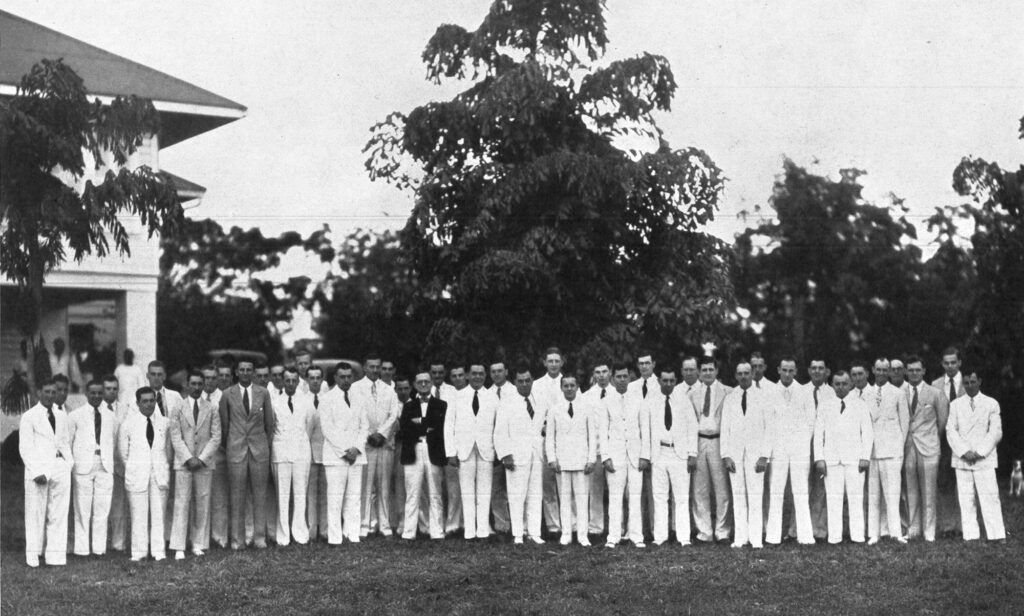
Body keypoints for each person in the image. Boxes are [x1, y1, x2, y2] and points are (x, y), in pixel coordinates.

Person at [219, 358, 275, 549]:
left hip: (259, 450)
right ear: (236, 372)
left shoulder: (263, 393)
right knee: (237, 496)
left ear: (253, 372)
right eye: (241, 369)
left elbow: (269, 424)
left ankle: (259, 537)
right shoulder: (227, 394)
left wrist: (263, 446)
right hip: (236, 450)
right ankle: (237, 539)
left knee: (259, 495)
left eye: (248, 369)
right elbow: (225, 426)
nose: (245, 372)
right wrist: (231, 446)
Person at [946, 367, 1005, 542]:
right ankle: (971, 535)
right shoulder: (955, 405)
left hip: (984, 459)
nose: (970, 386)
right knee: (966, 498)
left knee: (990, 497)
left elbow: (995, 432)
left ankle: (996, 535)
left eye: (973, 382)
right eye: (966, 383)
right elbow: (951, 430)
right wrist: (964, 452)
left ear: (979, 381)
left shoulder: (991, 403)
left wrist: (979, 452)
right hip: (962, 459)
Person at [813, 371, 872, 544]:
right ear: (832, 385)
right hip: (831, 460)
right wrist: (819, 459)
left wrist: (865, 457)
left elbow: (867, 432)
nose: (841, 387)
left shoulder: (860, 405)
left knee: (856, 498)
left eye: (844, 383)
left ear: (850, 384)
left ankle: (857, 535)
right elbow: (818, 434)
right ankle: (835, 537)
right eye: (837, 384)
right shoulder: (825, 406)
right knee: (833, 498)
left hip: (854, 459)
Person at [168, 371, 222, 559]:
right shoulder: (178, 407)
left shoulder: (212, 407)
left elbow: (216, 437)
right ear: (187, 384)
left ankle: (198, 543)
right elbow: (175, 435)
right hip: (184, 463)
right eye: (194, 384)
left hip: (204, 464)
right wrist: (188, 458)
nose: (198, 387)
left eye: (201, 383)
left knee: (202, 502)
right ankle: (179, 546)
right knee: (182, 502)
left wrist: (202, 459)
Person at [20, 378, 73, 567]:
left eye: (54, 392)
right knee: (35, 513)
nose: (51, 395)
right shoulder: (30, 416)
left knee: (58, 513)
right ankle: (33, 557)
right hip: (39, 469)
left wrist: (69, 463)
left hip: (60, 467)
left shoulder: (60, 415)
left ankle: (55, 556)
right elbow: (25, 448)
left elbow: (64, 441)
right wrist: (36, 472)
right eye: (47, 392)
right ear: (39, 393)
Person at [495, 364, 548, 545]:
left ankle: (534, 532)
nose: (524, 384)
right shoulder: (507, 402)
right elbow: (500, 432)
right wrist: (505, 455)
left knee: (535, 494)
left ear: (532, 380)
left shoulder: (539, 400)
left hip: (536, 454)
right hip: (516, 455)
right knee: (517, 495)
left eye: (527, 380)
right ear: (515, 382)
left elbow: (542, 423)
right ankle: (518, 533)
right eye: (521, 381)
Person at [445, 363, 499, 540]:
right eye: (474, 373)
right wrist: (451, 451)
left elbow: (498, 426)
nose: (477, 377)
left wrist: (498, 450)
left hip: (486, 449)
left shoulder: (492, 397)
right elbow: (449, 425)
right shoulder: (457, 396)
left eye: (481, 374)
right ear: (468, 375)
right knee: (466, 491)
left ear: (485, 376)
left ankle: (482, 530)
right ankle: (469, 530)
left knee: (484, 491)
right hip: (464, 449)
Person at [765, 356, 815, 545]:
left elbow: (810, 422)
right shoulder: (770, 392)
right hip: (778, 450)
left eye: (790, 371)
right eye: (784, 370)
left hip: (799, 450)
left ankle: (805, 536)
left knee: (801, 491)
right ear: (778, 370)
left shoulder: (804, 392)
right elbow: (768, 423)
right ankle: (773, 536)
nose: (787, 374)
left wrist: (800, 444)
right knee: (776, 491)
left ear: (795, 372)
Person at [720, 361, 770, 549]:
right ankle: (740, 537)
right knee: (738, 495)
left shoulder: (762, 397)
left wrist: (765, 456)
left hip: (756, 455)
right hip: (735, 455)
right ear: (735, 375)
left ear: (753, 374)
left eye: (747, 373)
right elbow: (725, 428)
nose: (743, 377)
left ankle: (756, 538)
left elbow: (769, 428)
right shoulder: (731, 397)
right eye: (740, 373)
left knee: (756, 496)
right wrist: (726, 455)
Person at [647, 366, 697, 547]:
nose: (668, 384)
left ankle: (684, 537)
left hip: (679, 454)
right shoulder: (651, 401)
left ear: (675, 381)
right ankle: (660, 536)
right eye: (665, 380)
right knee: (660, 496)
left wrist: (692, 454)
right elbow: (646, 430)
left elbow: (692, 428)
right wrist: (647, 456)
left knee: (682, 497)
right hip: (659, 454)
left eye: (671, 381)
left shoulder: (684, 401)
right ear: (659, 381)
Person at [352, 353, 401, 538]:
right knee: (366, 485)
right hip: (366, 444)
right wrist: (369, 435)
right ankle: (365, 524)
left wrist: (381, 434)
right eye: (371, 367)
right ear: (365, 368)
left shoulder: (389, 390)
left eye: (377, 367)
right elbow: (355, 414)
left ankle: (384, 524)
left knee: (384, 485)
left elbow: (393, 414)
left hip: (384, 443)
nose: (374, 370)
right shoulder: (356, 388)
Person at [119, 387, 171, 561]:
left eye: (152, 400)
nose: (149, 404)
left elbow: (168, 450)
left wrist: (160, 466)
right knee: (138, 515)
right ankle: (139, 552)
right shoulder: (128, 424)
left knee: (159, 514)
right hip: (137, 474)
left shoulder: (164, 422)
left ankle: (158, 551)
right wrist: (136, 467)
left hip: (159, 474)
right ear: (138, 403)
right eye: (145, 401)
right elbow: (123, 452)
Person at [601, 363, 650, 549]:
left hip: (636, 456)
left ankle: (636, 535)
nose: (622, 379)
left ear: (629, 378)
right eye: (618, 376)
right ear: (613, 379)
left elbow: (645, 429)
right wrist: (605, 457)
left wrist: (645, 455)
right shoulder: (606, 400)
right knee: (615, 497)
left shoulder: (639, 399)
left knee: (635, 496)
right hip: (615, 456)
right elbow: (603, 431)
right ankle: (613, 535)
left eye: (625, 376)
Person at [319, 362, 368, 544]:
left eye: (349, 377)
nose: (346, 380)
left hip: (357, 455)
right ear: (335, 378)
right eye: (342, 377)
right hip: (335, 456)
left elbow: (365, 426)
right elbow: (327, 429)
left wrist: (356, 449)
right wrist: (345, 451)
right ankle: (335, 537)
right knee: (335, 498)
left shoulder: (359, 398)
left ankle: (352, 534)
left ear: (353, 378)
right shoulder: (327, 399)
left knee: (354, 497)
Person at [546, 374, 597, 546]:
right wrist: (552, 458)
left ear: (577, 387)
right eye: (565, 385)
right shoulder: (554, 409)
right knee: (564, 498)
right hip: (562, 462)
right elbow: (550, 437)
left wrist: (591, 459)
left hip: (582, 461)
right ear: (561, 388)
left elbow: (592, 435)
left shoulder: (587, 407)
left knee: (582, 500)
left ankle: (583, 535)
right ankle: (566, 533)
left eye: (572, 385)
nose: (569, 388)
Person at [68, 379, 116, 556]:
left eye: (99, 393)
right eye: (93, 393)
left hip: (104, 465)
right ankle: (81, 549)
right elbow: (68, 441)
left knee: (102, 509)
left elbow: (113, 439)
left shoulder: (110, 416)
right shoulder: (75, 415)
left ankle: (99, 549)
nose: (96, 396)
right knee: (82, 509)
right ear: (87, 394)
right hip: (83, 466)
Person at [903, 355, 948, 541]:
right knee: (910, 490)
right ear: (906, 371)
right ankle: (913, 529)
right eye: (911, 370)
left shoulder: (935, 393)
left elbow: (942, 421)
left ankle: (929, 532)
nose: (914, 373)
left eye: (917, 370)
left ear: (923, 371)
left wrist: (931, 438)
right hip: (908, 447)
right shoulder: (900, 392)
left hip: (929, 447)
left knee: (929, 491)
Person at [687, 357, 732, 543]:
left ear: (716, 371)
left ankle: (722, 532)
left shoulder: (727, 392)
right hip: (699, 441)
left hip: (718, 441)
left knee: (721, 489)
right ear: (699, 372)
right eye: (704, 370)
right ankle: (704, 532)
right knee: (700, 489)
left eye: (710, 369)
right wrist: (692, 451)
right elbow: (689, 424)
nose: (707, 373)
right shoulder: (691, 394)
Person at [398, 371, 447, 540]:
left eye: (427, 381)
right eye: (420, 382)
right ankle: (409, 532)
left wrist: (419, 423)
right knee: (412, 493)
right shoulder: (409, 406)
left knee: (435, 493)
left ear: (432, 383)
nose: (424, 384)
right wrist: (426, 426)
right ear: (415, 384)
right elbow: (405, 430)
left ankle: (437, 531)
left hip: (433, 450)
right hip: (414, 450)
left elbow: (440, 429)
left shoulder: (441, 405)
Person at [865, 358, 909, 545]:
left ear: (889, 371)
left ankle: (895, 533)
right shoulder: (866, 393)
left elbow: (904, 423)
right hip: (873, 451)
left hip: (892, 451)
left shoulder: (898, 393)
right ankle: (874, 533)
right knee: (874, 494)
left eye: (885, 370)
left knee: (892, 494)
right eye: (879, 370)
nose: (882, 373)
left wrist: (898, 448)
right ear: (873, 370)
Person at [270, 367, 314, 546]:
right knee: (282, 495)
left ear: (298, 381)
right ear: (282, 380)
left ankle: (300, 533)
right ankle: (283, 535)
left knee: (300, 493)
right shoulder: (274, 401)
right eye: (287, 380)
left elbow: (310, 426)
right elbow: (272, 427)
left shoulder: (306, 401)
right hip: (281, 452)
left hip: (301, 452)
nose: (290, 384)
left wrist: (301, 442)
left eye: (293, 380)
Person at [531, 348, 565, 538]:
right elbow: (535, 412)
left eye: (556, 361)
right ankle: (553, 526)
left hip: (565, 439)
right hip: (544, 437)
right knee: (547, 483)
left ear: (562, 362)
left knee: (565, 482)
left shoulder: (569, 383)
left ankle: (571, 523)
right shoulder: (536, 385)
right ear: (544, 362)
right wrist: (544, 427)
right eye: (550, 361)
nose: (553, 364)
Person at [932, 346, 964, 537]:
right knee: (944, 482)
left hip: (963, 440)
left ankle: (963, 524)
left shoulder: (969, 382)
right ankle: (948, 526)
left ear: (959, 363)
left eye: (954, 362)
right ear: (942, 364)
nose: (950, 366)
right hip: (943, 439)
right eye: (947, 363)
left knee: (964, 482)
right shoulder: (935, 384)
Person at [580, 362, 612, 537]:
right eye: (598, 372)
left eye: (605, 372)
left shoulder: (618, 394)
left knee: (616, 492)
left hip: (613, 452)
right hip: (594, 450)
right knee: (595, 490)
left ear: (610, 373)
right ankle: (596, 527)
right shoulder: (586, 397)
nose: (601, 375)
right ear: (594, 374)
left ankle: (619, 527)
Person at [804, 357, 834, 540]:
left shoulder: (833, 392)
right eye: (813, 368)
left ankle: (820, 529)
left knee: (821, 488)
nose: (817, 371)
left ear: (826, 371)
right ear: (809, 371)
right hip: (803, 446)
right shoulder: (800, 391)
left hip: (824, 446)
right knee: (801, 488)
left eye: (820, 368)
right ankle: (799, 529)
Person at [103, 375, 133, 552]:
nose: (111, 392)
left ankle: (118, 543)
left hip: (120, 463)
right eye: (108, 388)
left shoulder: (125, 409)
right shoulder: (96, 409)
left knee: (119, 505)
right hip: (102, 464)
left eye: (114, 388)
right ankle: (99, 542)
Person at [488, 361, 514, 535]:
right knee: (496, 489)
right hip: (492, 448)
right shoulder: (486, 394)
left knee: (515, 489)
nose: (497, 374)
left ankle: (521, 525)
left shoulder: (515, 391)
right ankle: (502, 525)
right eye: (493, 372)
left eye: (500, 371)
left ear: (506, 371)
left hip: (513, 447)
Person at [305, 366, 329, 541]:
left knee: (326, 494)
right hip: (308, 453)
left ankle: (325, 530)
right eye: (311, 378)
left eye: (318, 377)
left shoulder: (329, 399)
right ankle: (311, 530)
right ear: (307, 380)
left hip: (327, 452)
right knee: (310, 494)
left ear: (322, 380)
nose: (315, 381)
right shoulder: (302, 400)